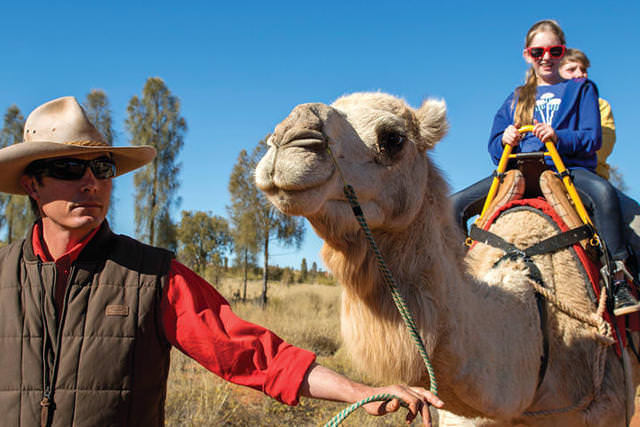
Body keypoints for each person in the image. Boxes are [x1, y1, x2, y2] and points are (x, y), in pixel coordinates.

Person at [0, 96, 443, 427]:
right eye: (69, 169)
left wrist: (360, 392)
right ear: (33, 185)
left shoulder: (153, 277)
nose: (91, 184)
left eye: (102, 168)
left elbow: (253, 355)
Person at [450, 19, 640, 316]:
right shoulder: (516, 97)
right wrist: (505, 139)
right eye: (538, 52)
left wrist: (558, 137)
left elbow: (592, 138)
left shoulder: (581, 90)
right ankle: (454, 281)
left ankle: (618, 279)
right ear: (528, 55)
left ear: (562, 52)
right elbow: (492, 147)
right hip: (517, 171)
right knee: (453, 206)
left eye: (554, 50)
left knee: (603, 195)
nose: (546, 58)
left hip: (564, 169)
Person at [559, 48, 640, 291]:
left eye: (583, 69)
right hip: (540, 179)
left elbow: (600, 146)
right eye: (571, 69)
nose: (580, 74)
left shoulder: (599, 105)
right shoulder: (539, 104)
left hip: (589, 179)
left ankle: (623, 281)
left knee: (637, 225)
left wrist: (559, 143)